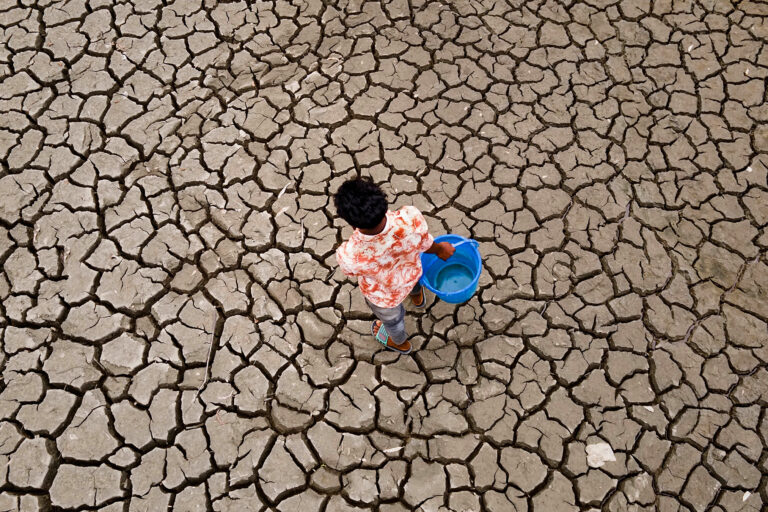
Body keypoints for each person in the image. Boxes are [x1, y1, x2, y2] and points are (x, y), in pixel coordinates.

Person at [334, 177, 455, 354]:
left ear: (352, 223)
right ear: (384, 201)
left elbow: (350, 271)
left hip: (385, 296)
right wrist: (439, 250)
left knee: (394, 321)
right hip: (411, 272)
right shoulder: (410, 218)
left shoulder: (349, 255)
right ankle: (417, 298)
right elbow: (425, 244)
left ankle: (400, 343)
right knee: (414, 281)